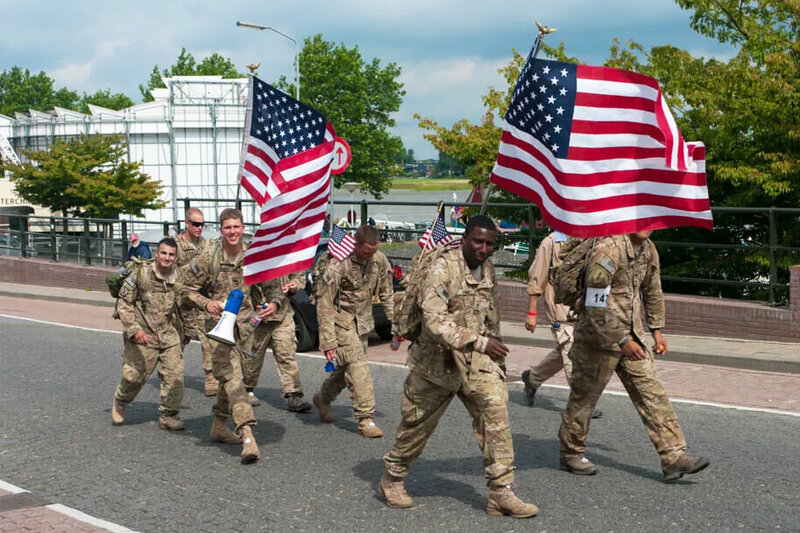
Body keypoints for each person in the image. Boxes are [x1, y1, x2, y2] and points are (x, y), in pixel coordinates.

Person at [381, 215, 538, 519]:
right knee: (416, 426)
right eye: (477, 241)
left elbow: (491, 316)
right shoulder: (442, 269)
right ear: (464, 238)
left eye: (489, 243)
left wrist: (497, 359)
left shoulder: (488, 268)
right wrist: (480, 342)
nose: (482, 248)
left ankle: (501, 492)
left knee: (496, 414)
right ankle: (393, 478)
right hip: (435, 361)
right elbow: (435, 321)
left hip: (475, 363)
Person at [558, 231, 710, 482]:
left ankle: (673, 457)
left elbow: (652, 290)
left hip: (633, 339)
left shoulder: (648, 249)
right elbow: (595, 303)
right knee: (584, 400)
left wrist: (657, 331)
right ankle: (570, 452)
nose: (646, 226)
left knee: (652, 394)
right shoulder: (608, 249)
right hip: (598, 339)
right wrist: (620, 339)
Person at [181, 208, 260, 464]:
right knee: (234, 380)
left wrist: (276, 303)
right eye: (227, 228)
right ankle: (247, 435)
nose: (233, 232)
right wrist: (206, 303)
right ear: (221, 229)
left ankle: (218, 425)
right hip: (217, 331)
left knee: (235, 379)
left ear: (243, 227)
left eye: (236, 227)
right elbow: (184, 287)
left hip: (246, 329)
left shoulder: (254, 256)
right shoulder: (208, 257)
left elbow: (273, 287)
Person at [312, 225, 394, 438]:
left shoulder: (379, 261)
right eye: (367, 251)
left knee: (343, 370)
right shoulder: (339, 265)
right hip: (342, 323)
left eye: (374, 250)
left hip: (363, 323)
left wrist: (396, 324)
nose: (370, 255)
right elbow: (325, 304)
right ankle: (366, 419)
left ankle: (323, 398)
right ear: (356, 245)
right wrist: (328, 342)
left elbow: (386, 293)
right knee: (359, 368)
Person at [521, 231, 601, 418]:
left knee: (564, 351)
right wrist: (532, 313)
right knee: (571, 351)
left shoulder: (590, 238)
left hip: (581, 309)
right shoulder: (550, 242)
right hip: (559, 310)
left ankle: (532, 379)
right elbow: (536, 279)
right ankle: (581, 403)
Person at [111, 237, 184, 431]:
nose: (167, 258)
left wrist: (189, 329)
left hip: (168, 334)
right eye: (164, 253)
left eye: (171, 254)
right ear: (157, 254)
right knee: (134, 377)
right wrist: (134, 330)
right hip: (143, 334)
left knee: (175, 375)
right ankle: (121, 400)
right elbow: (124, 304)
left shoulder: (178, 276)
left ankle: (168, 415)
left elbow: (183, 304)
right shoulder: (141, 273)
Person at [242, 272, 312, 412]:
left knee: (286, 354)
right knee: (252, 357)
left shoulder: (286, 254)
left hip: (282, 315)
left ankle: (294, 395)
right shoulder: (250, 255)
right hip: (257, 317)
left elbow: (298, 275)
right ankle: (246, 389)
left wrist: (295, 286)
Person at [174, 207, 218, 396]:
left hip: (201, 300)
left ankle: (210, 377)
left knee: (207, 339)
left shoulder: (206, 245)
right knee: (178, 340)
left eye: (202, 224)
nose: (200, 228)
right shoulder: (174, 245)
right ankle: (170, 373)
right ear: (186, 223)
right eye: (196, 224)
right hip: (181, 300)